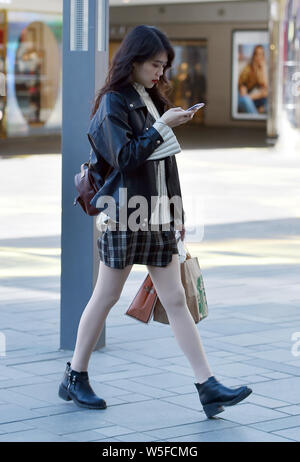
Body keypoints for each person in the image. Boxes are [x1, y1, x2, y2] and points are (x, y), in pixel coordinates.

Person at [58, 25, 252, 419]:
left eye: (165, 66)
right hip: (125, 215)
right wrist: (164, 126)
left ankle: (207, 386)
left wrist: (178, 211)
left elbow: (166, 161)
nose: (161, 73)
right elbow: (126, 157)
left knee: (177, 298)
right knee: (106, 296)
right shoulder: (113, 103)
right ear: (133, 61)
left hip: (158, 214)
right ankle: (75, 376)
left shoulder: (150, 98)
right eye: (155, 65)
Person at [238, 44, 268, 114]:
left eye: (261, 54)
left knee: (267, 100)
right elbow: (243, 94)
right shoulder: (247, 69)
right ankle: (256, 119)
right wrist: (258, 95)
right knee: (246, 100)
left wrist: (263, 68)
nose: (259, 57)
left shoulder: (261, 69)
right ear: (254, 56)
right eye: (257, 54)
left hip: (253, 98)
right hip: (243, 96)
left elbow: (265, 89)